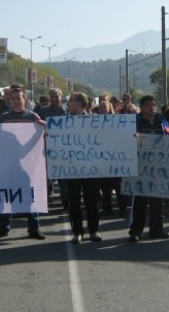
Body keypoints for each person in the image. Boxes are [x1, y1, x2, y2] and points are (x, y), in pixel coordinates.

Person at [0, 85, 46, 241]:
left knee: (29, 196)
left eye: (18, 98)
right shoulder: (4, 118)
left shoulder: (33, 117)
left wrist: (44, 128)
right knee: (5, 196)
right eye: (12, 98)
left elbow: (43, 135)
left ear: (24, 99)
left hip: (27, 166)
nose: (15, 101)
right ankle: (2, 229)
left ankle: (34, 229)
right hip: (8, 164)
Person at [129, 95, 169, 243]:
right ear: (141, 107)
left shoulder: (161, 120)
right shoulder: (134, 121)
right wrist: (132, 137)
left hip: (158, 166)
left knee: (157, 200)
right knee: (140, 200)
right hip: (140, 166)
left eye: (154, 104)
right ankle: (136, 230)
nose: (152, 107)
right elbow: (124, 139)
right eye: (148, 104)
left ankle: (156, 229)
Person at [62, 92, 102, 244]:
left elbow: (110, 138)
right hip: (71, 168)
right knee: (74, 201)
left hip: (90, 169)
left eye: (71, 101)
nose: (68, 104)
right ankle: (77, 232)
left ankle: (94, 230)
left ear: (79, 103)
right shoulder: (63, 122)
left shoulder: (95, 121)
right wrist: (49, 136)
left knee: (91, 200)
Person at [38, 88, 68, 210]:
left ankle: (66, 202)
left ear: (61, 96)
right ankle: (44, 202)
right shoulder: (43, 111)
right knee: (46, 178)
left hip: (63, 149)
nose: (55, 98)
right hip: (47, 148)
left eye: (57, 96)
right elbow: (37, 126)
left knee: (63, 178)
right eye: (53, 96)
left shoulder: (67, 111)